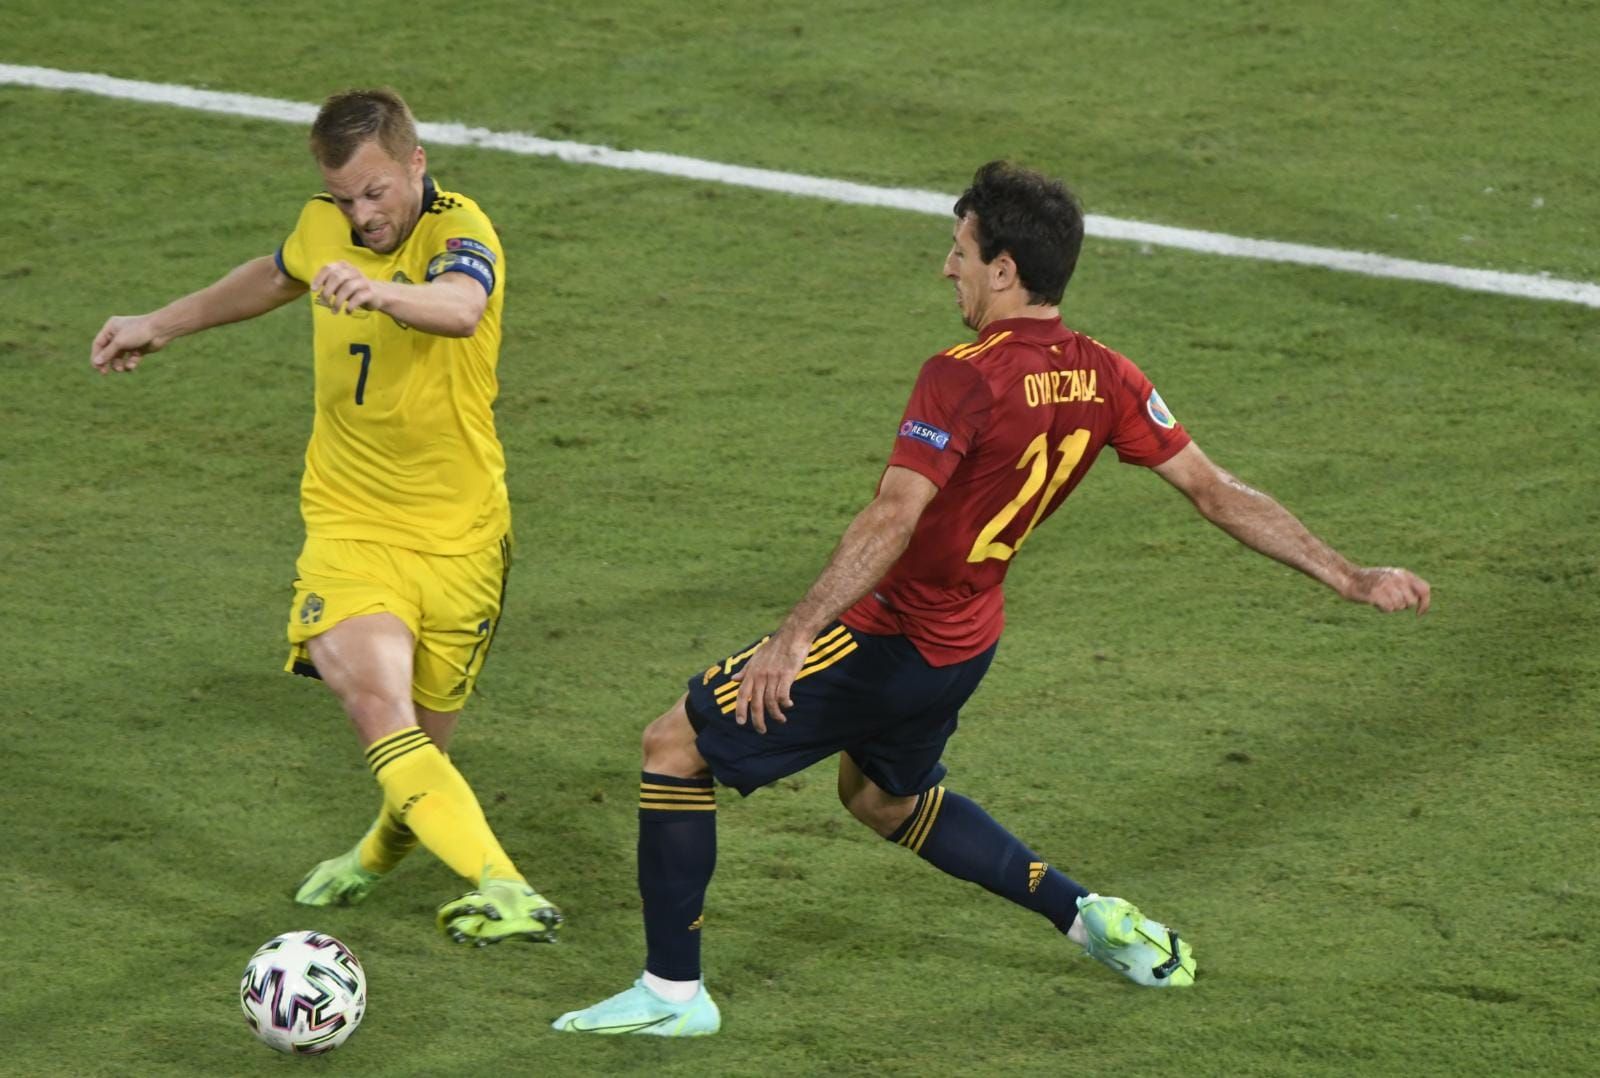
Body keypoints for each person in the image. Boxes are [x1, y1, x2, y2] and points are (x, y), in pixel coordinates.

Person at [553, 160, 1430, 1036]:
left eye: (961, 250)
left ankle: (672, 994)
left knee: (674, 745)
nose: (949, 267)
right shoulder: (1108, 375)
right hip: (965, 646)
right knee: (883, 800)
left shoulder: (963, 375)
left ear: (1005, 269)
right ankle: (1087, 915)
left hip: (886, 638)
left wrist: (793, 637)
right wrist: (1350, 575)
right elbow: (1214, 489)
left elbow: (894, 515)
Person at [89, 88, 561, 946]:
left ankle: (377, 857)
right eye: (345, 198)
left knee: (422, 758)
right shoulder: (324, 229)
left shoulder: (461, 229)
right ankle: (505, 886)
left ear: (416, 164)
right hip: (350, 526)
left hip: (462, 538)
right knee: (377, 705)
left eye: (376, 193)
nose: (361, 215)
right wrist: (162, 322)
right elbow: (278, 271)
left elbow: (460, 308)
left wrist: (382, 294)